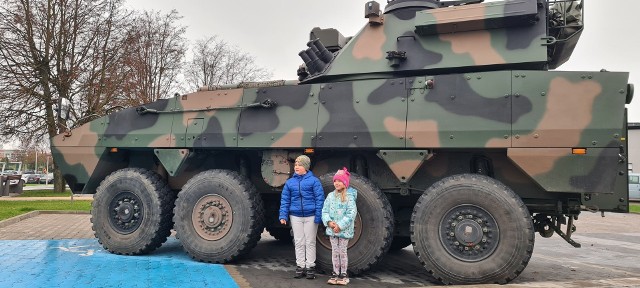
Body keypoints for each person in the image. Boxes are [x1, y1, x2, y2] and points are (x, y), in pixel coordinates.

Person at [279, 155, 325, 279]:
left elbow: (319, 199)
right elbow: (285, 200)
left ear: (305, 167)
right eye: (295, 165)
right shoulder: (290, 183)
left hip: (310, 216)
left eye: (299, 165)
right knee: (299, 241)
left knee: (310, 242)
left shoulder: (314, 181)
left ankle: (310, 267)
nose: (296, 167)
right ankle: (300, 266)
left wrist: (318, 216)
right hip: (295, 216)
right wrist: (283, 215)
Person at [322, 167, 357, 285]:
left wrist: (340, 226)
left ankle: (344, 274)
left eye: (340, 181)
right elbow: (324, 211)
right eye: (335, 181)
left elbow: (351, 214)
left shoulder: (349, 197)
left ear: (345, 183)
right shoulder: (330, 196)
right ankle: (335, 273)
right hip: (332, 230)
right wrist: (329, 222)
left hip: (343, 231)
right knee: (334, 251)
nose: (337, 183)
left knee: (342, 251)